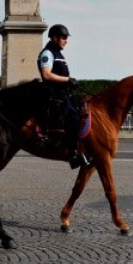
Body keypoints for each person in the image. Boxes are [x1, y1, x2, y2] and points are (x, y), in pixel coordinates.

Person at [38, 23, 88, 168]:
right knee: (73, 119)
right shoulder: (48, 53)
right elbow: (46, 75)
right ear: (54, 38)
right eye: (64, 37)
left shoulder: (58, 54)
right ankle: (72, 155)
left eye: (66, 37)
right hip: (55, 95)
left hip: (64, 93)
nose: (66, 40)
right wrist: (67, 80)